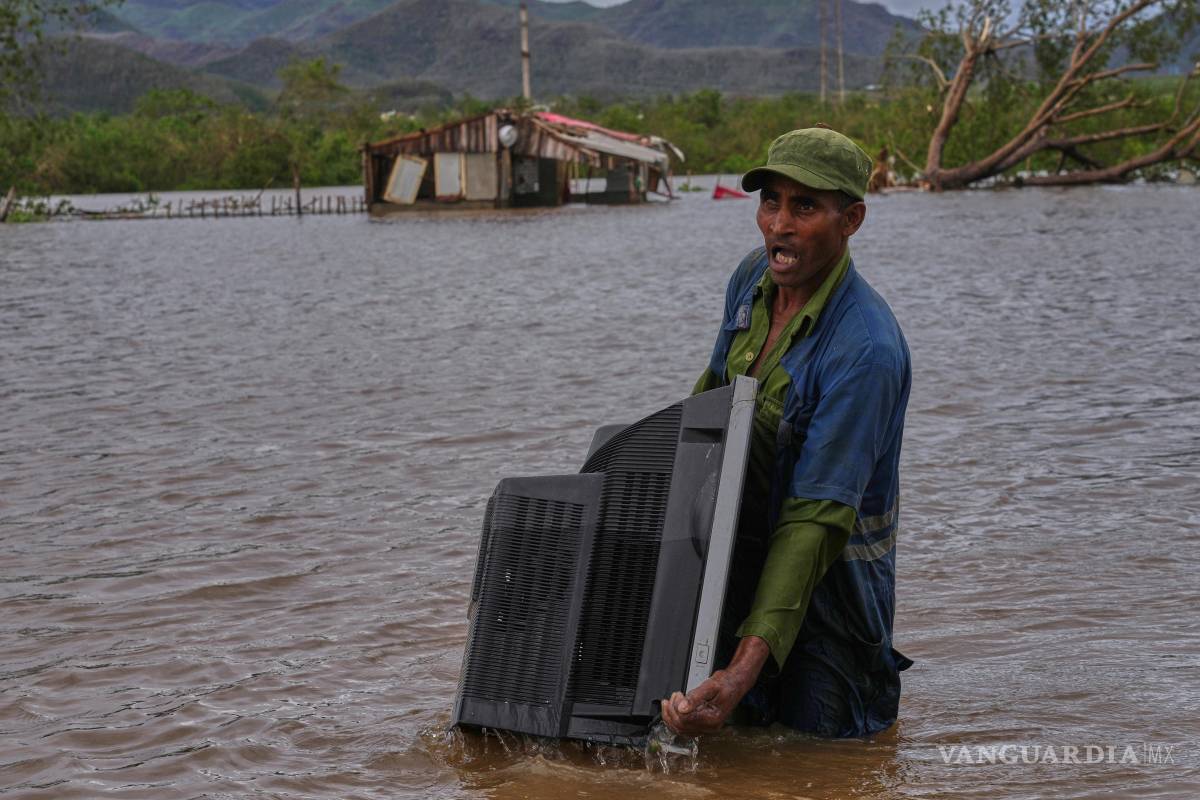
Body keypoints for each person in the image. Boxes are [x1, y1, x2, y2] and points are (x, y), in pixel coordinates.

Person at [662, 127, 912, 739]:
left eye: (805, 207)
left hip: (834, 593)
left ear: (851, 218)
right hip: (740, 561)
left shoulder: (865, 350)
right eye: (772, 201)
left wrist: (740, 672)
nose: (780, 224)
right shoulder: (752, 279)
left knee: (823, 762)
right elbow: (709, 408)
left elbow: (814, 521)